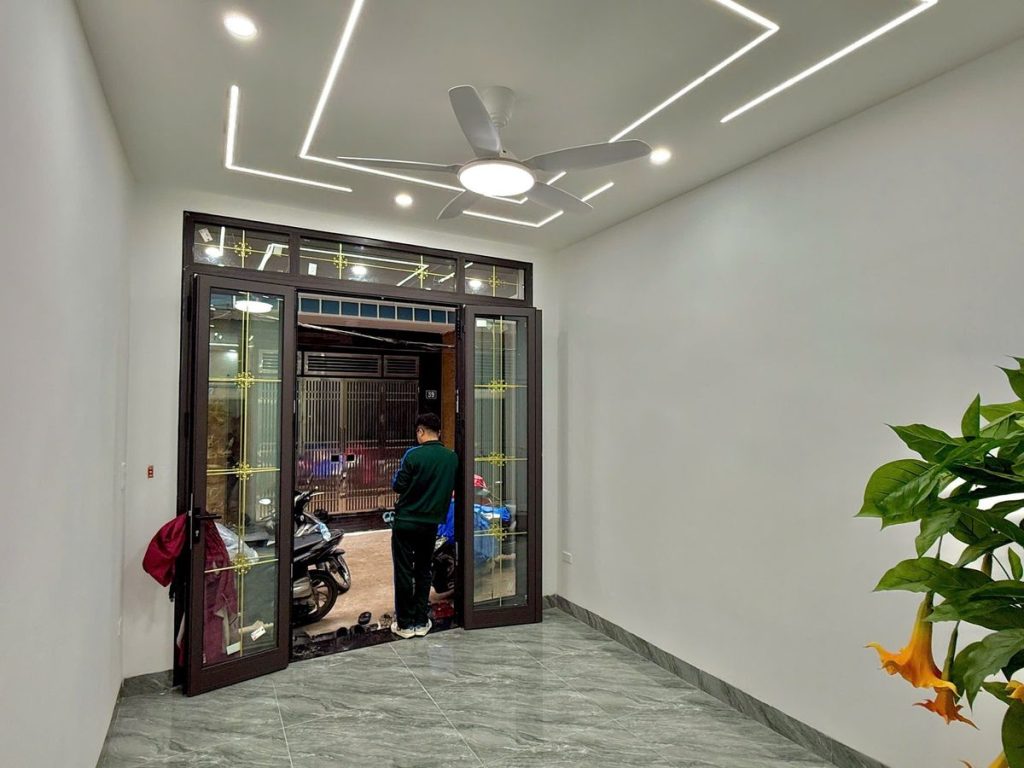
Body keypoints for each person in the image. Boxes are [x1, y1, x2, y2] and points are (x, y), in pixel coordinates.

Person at [390, 413, 458, 639]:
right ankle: (420, 621)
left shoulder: (413, 455)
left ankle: (404, 624)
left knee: (403, 571)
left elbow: (398, 485)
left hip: (405, 522)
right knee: (423, 570)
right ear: (439, 432)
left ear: (420, 431)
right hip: (430, 525)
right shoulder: (451, 457)